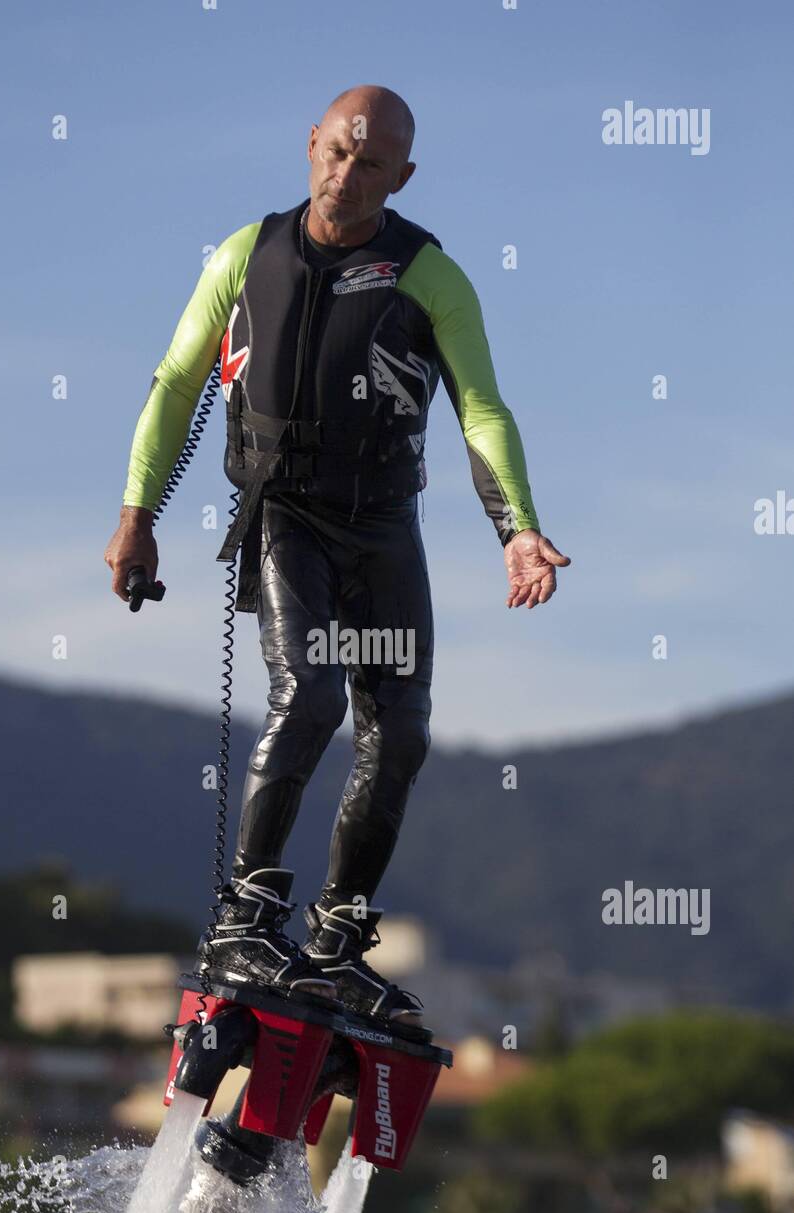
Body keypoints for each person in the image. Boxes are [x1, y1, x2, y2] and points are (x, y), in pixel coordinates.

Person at [104, 84, 570, 1034]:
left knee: (398, 733)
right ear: (312, 144)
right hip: (289, 516)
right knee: (309, 696)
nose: (346, 176)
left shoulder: (431, 275)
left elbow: (482, 409)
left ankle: (333, 945)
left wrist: (518, 527)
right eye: (336, 153)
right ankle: (245, 920)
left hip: (385, 530)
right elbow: (174, 378)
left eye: (371, 164)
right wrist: (137, 513)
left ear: (401, 175)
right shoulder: (248, 255)